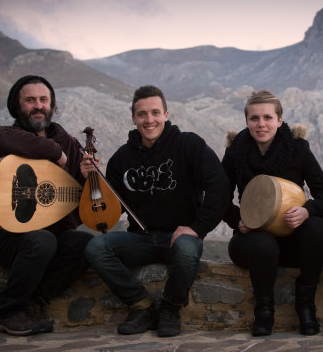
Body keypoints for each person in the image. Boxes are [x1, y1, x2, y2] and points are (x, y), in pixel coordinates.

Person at [82, 85, 230, 337]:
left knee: (185, 252)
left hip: (180, 237)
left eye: (155, 113)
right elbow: (109, 211)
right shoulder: (121, 158)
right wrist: (90, 180)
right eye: (142, 114)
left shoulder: (189, 145)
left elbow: (220, 186)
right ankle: (142, 306)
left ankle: (170, 309)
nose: (149, 120)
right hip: (141, 238)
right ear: (133, 118)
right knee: (95, 248)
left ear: (166, 114)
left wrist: (197, 228)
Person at [0, 75, 94, 336]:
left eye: (44, 100)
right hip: (5, 234)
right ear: (17, 107)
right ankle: (9, 312)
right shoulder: (4, 136)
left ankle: (34, 301)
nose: (38, 105)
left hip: (50, 235)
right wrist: (54, 152)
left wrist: (87, 180)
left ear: (52, 106)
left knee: (85, 244)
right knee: (41, 241)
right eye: (30, 100)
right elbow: (2, 141)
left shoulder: (70, 143)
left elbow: (73, 200)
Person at [221, 90, 323, 336]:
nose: (261, 124)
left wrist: (307, 212)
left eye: (267, 117)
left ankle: (306, 305)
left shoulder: (298, 148)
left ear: (279, 120)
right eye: (254, 118)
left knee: (317, 228)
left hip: (291, 243)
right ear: (247, 121)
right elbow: (219, 199)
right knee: (263, 243)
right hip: (252, 243)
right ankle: (264, 312)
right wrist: (238, 221)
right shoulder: (235, 152)